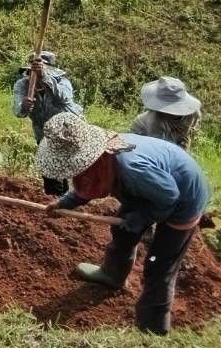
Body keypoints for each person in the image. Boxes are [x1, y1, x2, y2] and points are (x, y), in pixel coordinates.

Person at [37, 113, 210, 334]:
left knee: (159, 264)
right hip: (152, 189)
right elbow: (89, 182)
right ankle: (113, 275)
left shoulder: (133, 169)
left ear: (92, 157)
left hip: (183, 198)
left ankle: (153, 328)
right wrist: (66, 203)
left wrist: (142, 217)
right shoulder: (101, 157)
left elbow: (169, 196)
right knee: (122, 230)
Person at [12, 50, 83, 193]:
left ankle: (56, 201)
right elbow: (17, 110)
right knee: (52, 172)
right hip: (42, 133)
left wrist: (45, 78)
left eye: (40, 70)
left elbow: (65, 98)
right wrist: (24, 107)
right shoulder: (23, 85)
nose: (36, 75)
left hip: (66, 130)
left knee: (53, 168)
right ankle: (59, 200)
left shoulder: (61, 82)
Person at [129, 77, 201, 150]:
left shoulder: (193, 113)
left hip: (176, 137)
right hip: (144, 136)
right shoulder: (154, 119)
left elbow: (187, 134)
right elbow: (158, 148)